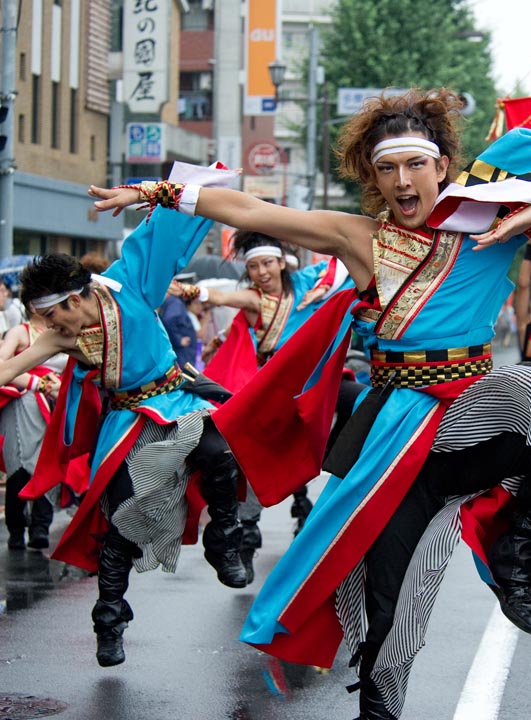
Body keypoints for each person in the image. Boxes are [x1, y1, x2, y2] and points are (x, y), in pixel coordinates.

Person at [89, 88, 531, 719]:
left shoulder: (491, 222)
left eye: (416, 165)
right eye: (387, 169)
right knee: (392, 599)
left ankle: (519, 547)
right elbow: (251, 208)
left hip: (473, 413)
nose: (403, 181)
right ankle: (380, 708)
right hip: (400, 435)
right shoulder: (360, 238)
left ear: (443, 168)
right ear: (372, 177)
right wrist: (161, 194)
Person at [8, 205, 249, 668]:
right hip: (128, 419)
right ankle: (110, 621)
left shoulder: (127, 284)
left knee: (219, 450)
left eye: (54, 315)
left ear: (74, 299)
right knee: (122, 522)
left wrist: (175, 193)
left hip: (179, 396)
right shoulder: (61, 338)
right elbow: (10, 367)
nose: (50, 327)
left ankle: (225, 538)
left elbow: (163, 233)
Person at [171, 229, 357, 583]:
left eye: (268, 263)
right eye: (253, 266)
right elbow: (226, 297)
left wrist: (329, 280)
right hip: (270, 392)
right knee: (257, 466)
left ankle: (335, 458)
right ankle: (248, 537)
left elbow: (343, 261)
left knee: (360, 398)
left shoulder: (305, 285)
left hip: (311, 386)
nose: (261, 272)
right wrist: (190, 292)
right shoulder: (255, 298)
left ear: (282, 263)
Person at [1, 314, 64, 550]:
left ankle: (41, 526)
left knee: (49, 464)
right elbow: (2, 363)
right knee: (19, 462)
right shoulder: (20, 332)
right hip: (24, 400)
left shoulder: (65, 329)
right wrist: (36, 383)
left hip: (58, 402)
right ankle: (16, 527)